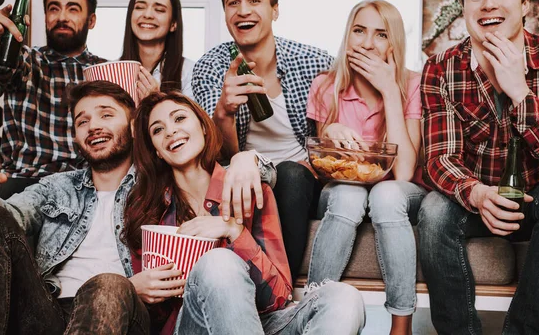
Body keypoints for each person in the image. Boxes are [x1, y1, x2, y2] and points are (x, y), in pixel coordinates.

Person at [0, 80, 275, 334]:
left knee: (108, 285)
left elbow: (209, 168)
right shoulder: (56, 186)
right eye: (82, 121)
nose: (93, 125)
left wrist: (248, 158)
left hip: (123, 312)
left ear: (135, 125)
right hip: (46, 312)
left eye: (106, 114)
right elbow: (7, 218)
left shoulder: (158, 184)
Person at [123, 91, 365, 335]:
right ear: (156, 151)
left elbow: (279, 297)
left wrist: (235, 232)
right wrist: (140, 290)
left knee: (343, 297)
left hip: (261, 324)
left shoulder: (252, 190)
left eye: (179, 119)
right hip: (191, 325)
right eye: (157, 130)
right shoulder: (148, 210)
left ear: (204, 127)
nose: (171, 131)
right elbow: (152, 319)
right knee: (218, 262)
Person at [418, 0, 539, 334]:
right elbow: (439, 159)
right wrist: (478, 194)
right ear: (463, 7)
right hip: (476, 200)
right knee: (432, 210)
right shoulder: (441, 68)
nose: (489, 4)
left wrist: (520, 93)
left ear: (525, 4)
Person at [193, 0, 333, 280]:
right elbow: (214, 156)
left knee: (292, 175)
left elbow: (334, 140)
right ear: (225, 13)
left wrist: (316, 164)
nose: (243, 10)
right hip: (241, 178)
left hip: (303, 180)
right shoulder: (211, 67)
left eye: (254, 1)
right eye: (233, 3)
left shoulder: (314, 62)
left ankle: (277, 287)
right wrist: (225, 111)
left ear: (275, 9)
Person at [306, 0, 424, 335]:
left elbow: (403, 172)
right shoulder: (326, 87)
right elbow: (329, 168)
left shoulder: (411, 84)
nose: (368, 43)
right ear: (348, 36)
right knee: (348, 195)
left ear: (393, 43)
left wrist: (390, 90)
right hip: (346, 191)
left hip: (396, 194)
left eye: (381, 34)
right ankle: (314, 312)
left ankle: (401, 326)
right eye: (359, 31)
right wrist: (329, 131)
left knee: (386, 193)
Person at [0, 0, 105, 198]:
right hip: (23, 184)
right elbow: (1, 67)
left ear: (92, 20)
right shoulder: (28, 59)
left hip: (85, 187)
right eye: (54, 8)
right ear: (45, 16)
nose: (62, 17)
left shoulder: (104, 72)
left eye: (73, 9)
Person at [119, 0, 195, 101]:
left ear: (173, 24)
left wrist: (155, 99)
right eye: (139, 7)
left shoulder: (190, 72)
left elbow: (195, 120)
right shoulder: (111, 71)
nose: (148, 15)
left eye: (159, 10)